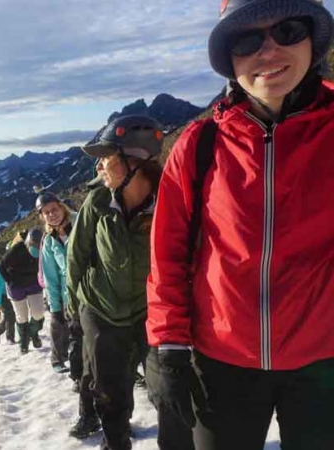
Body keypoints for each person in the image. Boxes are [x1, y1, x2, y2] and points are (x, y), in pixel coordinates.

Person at [147, 1, 334, 449]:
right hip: (221, 363)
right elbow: (168, 255)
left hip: (324, 363)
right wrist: (168, 346)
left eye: (287, 30)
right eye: (247, 40)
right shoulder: (199, 144)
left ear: (314, 38)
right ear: (230, 60)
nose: (268, 52)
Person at [66, 114, 163, 450]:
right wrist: (73, 310)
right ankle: (116, 441)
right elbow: (75, 255)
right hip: (100, 309)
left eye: (105, 158)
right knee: (108, 388)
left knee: (161, 385)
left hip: (145, 310)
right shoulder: (97, 202)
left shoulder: (167, 202)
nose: (98, 168)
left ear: (134, 161)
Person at [36, 191, 75, 374]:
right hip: (69, 297)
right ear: (42, 216)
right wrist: (56, 308)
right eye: (46, 212)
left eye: (54, 209)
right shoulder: (49, 240)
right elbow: (51, 278)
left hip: (92, 292)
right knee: (64, 329)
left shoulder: (80, 223)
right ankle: (62, 362)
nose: (52, 214)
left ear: (61, 206)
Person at [0, 229, 46, 355]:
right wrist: (9, 281)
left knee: (38, 313)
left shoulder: (45, 246)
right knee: (22, 316)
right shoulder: (17, 249)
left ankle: (33, 333)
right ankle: (23, 344)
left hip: (34, 284)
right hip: (16, 287)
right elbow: (1, 266)